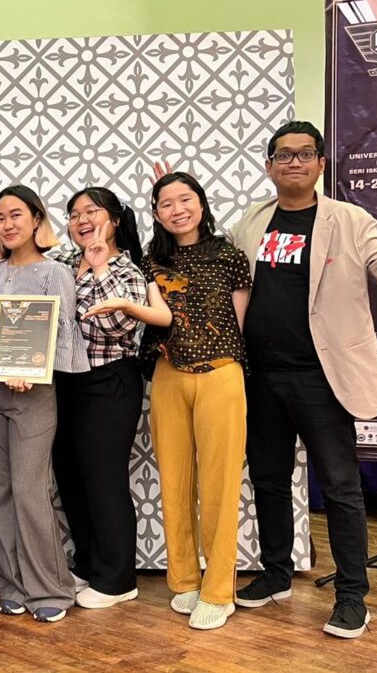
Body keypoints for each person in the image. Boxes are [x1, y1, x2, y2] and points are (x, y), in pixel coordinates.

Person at [229, 120, 377, 639]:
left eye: (305, 154)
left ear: (321, 165)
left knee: (342, 487)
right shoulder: (251, 222)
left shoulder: (349, 219)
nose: (295, 162)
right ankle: (276, 573)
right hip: (261, 375)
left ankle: (352, 597)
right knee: (269, 480)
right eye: (284, 155)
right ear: (269, 166)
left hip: (321, 378)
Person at [0, 185, 90, 624]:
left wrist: (32, 370)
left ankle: (50, 588)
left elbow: (63, 336)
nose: (8, 224)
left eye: (16, 214)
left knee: (30, 489)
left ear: (37, 219)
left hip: (33, 391)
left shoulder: (54, 272)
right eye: (0, 217)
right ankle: (12, 586)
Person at [138, 172, 252, 630]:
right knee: (175, 480)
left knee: (220, 483)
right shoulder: (150, 260)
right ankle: (184, 579)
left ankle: (220, 590)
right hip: (169, 374)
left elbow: (239, 323)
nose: (177, 210)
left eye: (185, 199)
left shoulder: (230, 255)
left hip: (221, 373)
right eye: (166, 203)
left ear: (202, 204)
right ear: (155, 213)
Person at [49, 187, 169, 610]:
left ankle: (118, 579)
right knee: (70, 476)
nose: (82, 220)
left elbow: (120, 326)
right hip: (65, 381)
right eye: (74, 214)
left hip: (109, 383)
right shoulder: (64, 263)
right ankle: (88, 563)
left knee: (103, 478)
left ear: (115, 220)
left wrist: (100, 268)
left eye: (92, 211)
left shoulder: (127, 268)